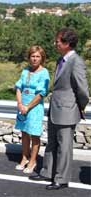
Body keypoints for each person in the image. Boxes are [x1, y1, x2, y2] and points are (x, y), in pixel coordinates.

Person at [29, 28, 89, 190]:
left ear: (67, 43)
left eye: (58, 41)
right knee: (52, 143)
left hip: (67, 110)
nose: (55, 43)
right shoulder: (60, 60)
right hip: (56, 109)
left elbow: (83, 90)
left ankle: (61, 179)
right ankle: (48, 172)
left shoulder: (76, 62)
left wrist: (79, 106)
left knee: (64, 146)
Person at [14, 46, 50, 174]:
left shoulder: (44, 72)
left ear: (42, 58)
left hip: (34, 107)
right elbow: (19, 87)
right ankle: (24, 157)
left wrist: (28, 106)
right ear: (29, 57)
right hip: (22, 106)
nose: (34, 59)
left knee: (34, 135)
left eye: (37, 56)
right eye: (32, 56)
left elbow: (41, 93)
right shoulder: (25, 71)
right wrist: (19, 103)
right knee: (24, 133)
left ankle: (33, 161)